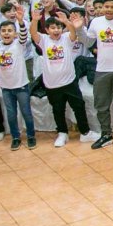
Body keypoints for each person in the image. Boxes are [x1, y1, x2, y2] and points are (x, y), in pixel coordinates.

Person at [30, 11, 100, 147]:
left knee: (79, 107)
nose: (56, 30)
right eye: (53, 28)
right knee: (57, 109)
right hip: (52, 84)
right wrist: (34, 20)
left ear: (62, 29)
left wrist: (67, 21)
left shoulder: (66, 37)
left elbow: (74, 33)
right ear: (47, 30)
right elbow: (33, 34)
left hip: (70, 82)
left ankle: (85, 133)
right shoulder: (44, 40)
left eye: (58, 27)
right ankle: (62, 133)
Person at [76, 0, 113, 149]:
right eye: (105, 6)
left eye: (112, 7)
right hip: (101, 69)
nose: (108, 10)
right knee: (101, 104)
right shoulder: (96, 22)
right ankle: (106, 134)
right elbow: (88, 41)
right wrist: (79, 29)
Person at [0, 11, 36, 150]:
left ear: (15, 33)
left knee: (26, 113)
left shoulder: (19, 44)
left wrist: (21, 22)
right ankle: (16, 137)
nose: (6, 33)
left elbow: (24, 35)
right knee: (11, 115)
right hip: (6, 88)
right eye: (4, 31)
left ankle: (31, 136)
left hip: (21, 86)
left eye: (10, 31)